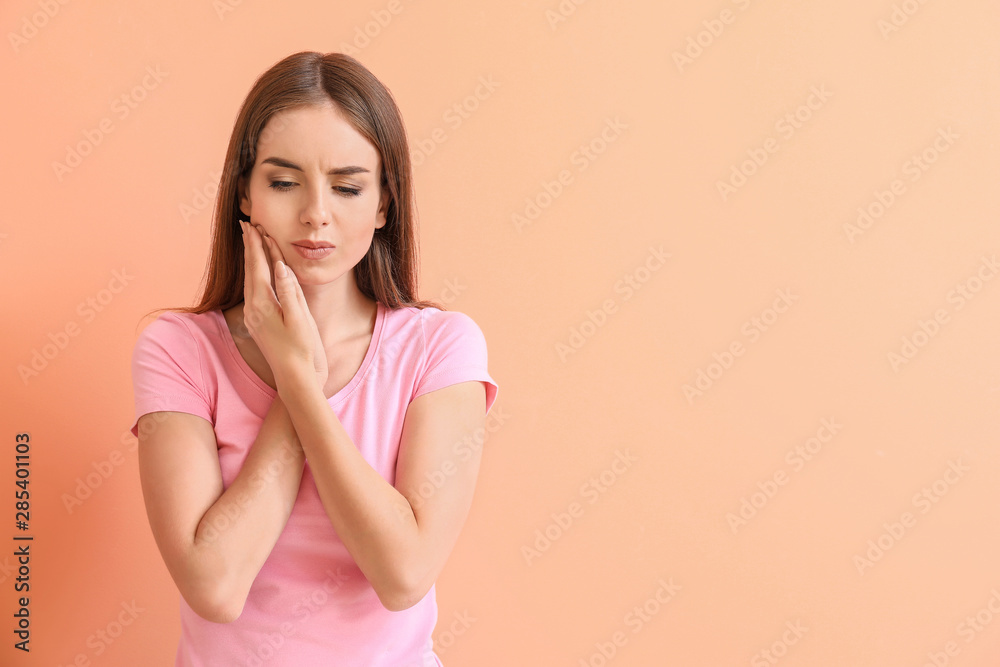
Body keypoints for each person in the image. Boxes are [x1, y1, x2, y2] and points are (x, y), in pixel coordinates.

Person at [128, 51, 498, 666]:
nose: (316, 213)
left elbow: (403, 574)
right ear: (243, 194)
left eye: (348, 186)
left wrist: (298, 377)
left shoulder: (441, 348)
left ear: (383, 206)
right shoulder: (178, 349)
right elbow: (214, 586)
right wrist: (296, 366)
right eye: (282, 181)